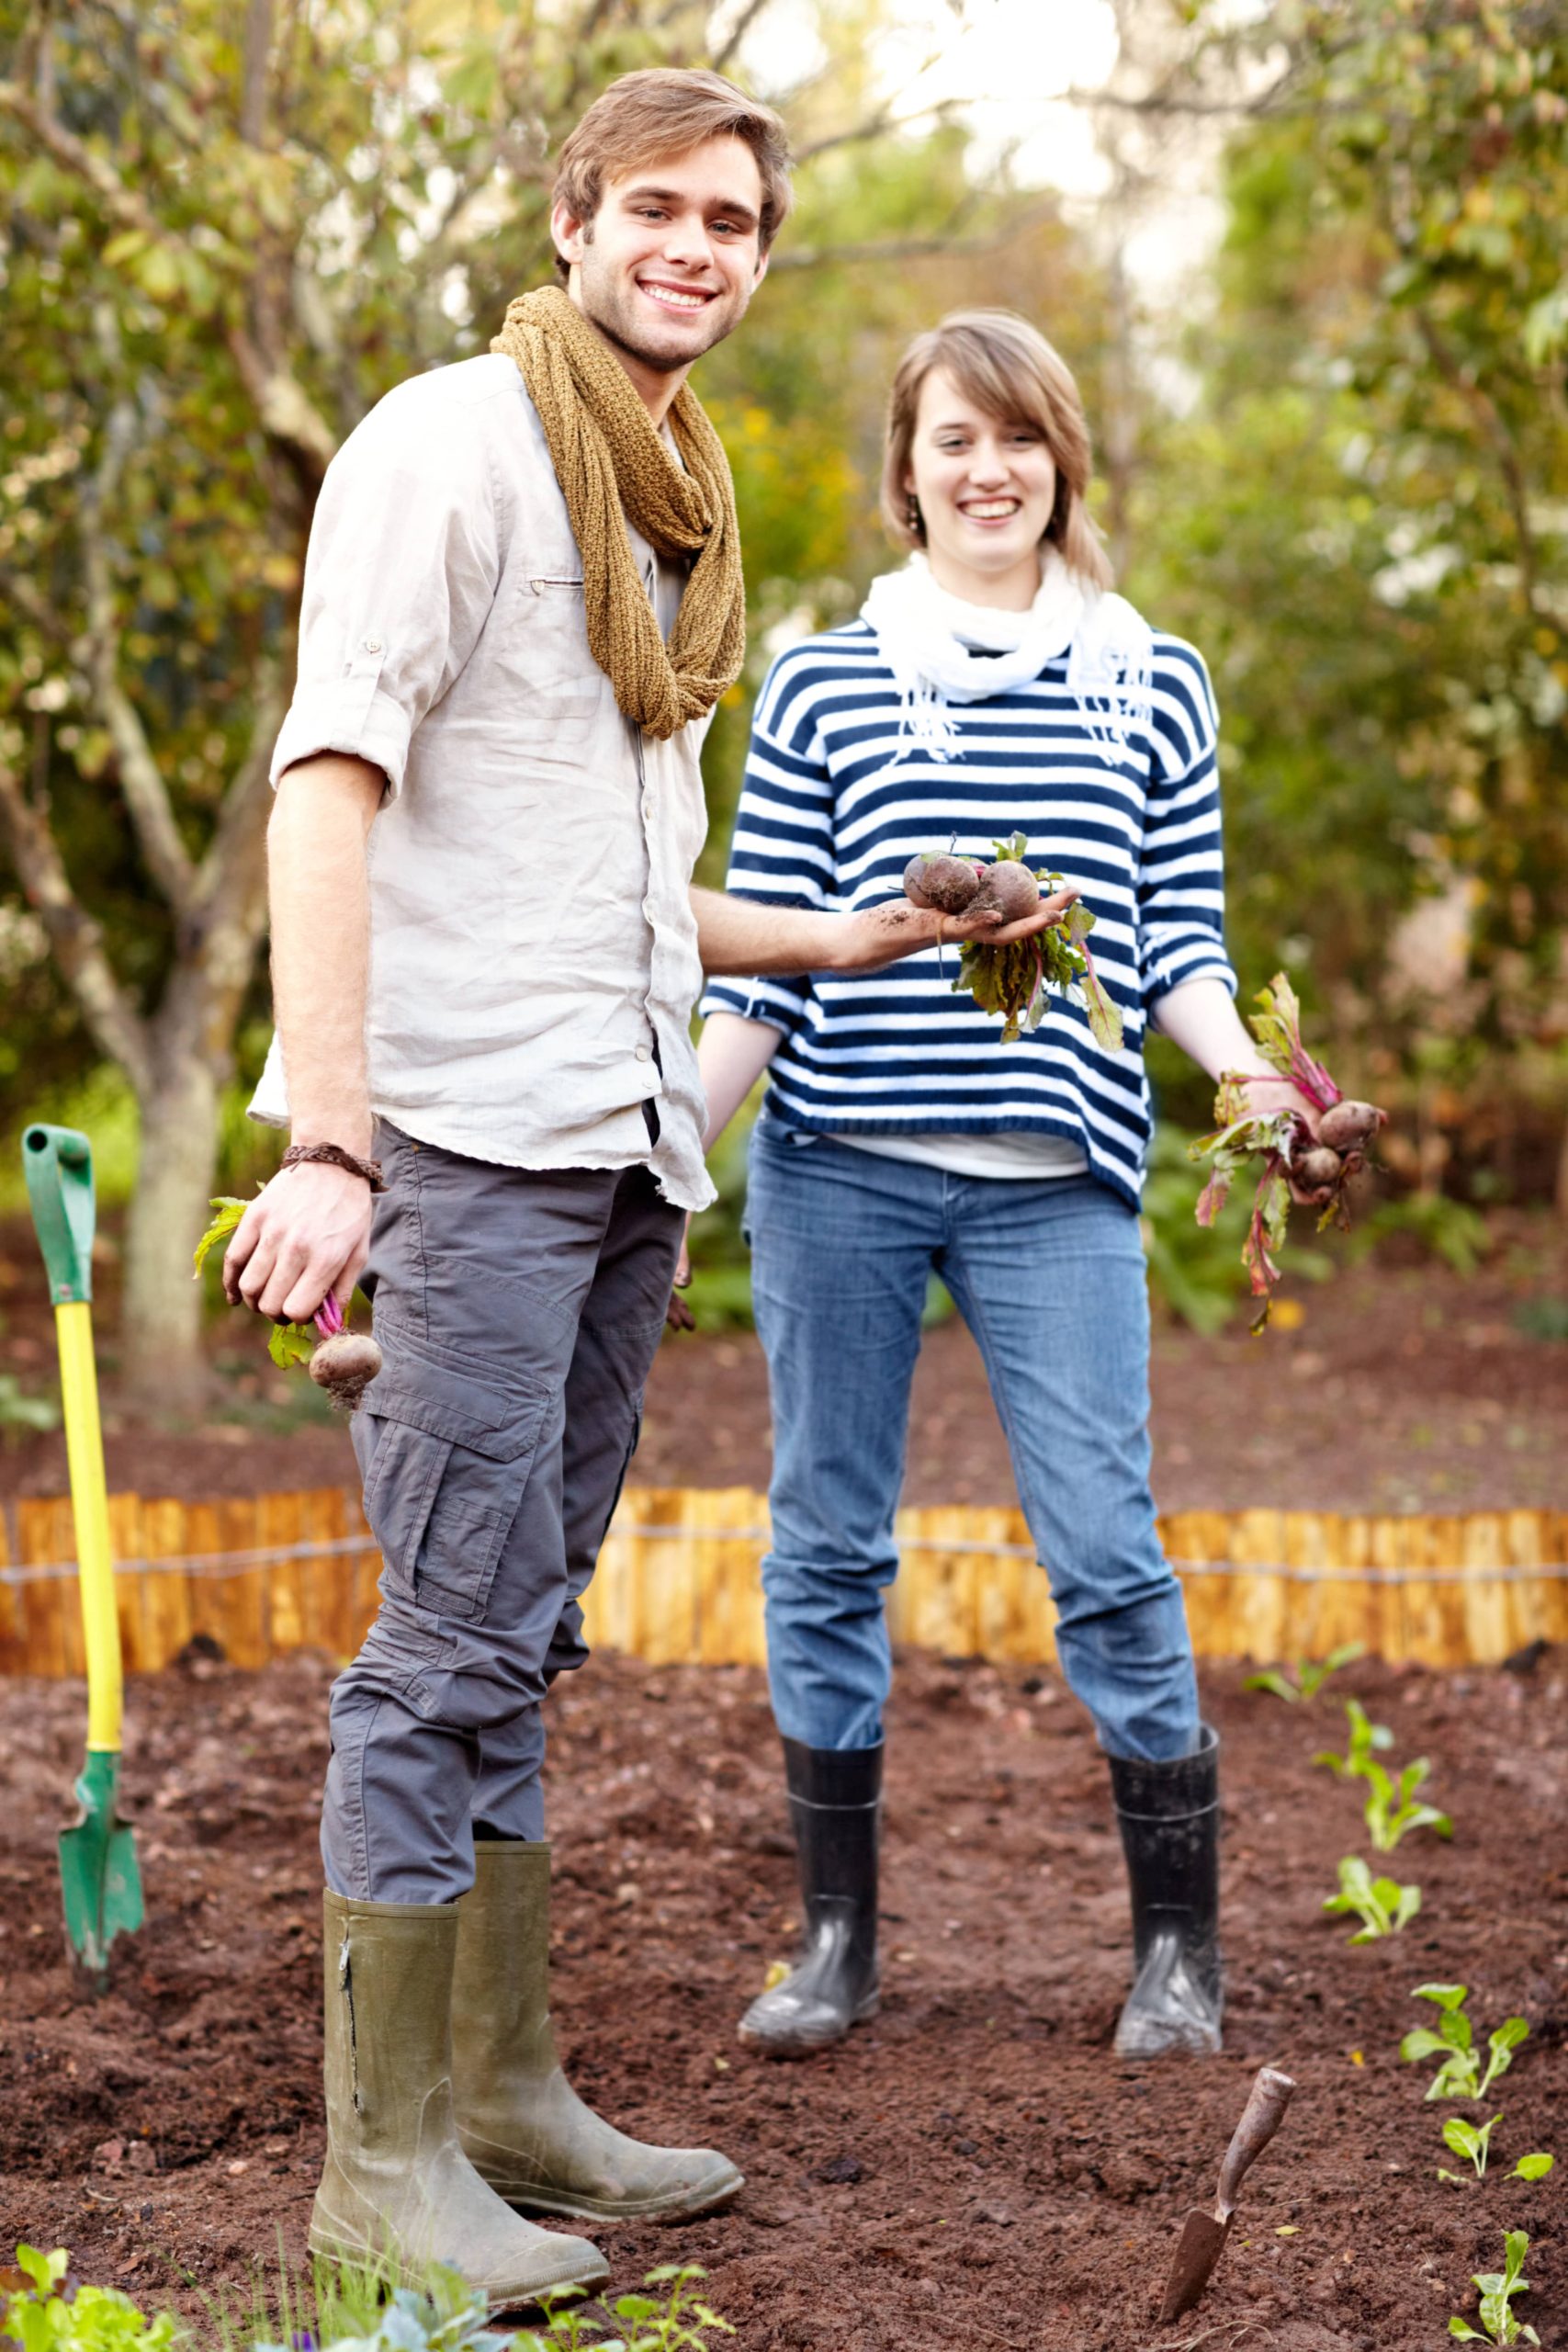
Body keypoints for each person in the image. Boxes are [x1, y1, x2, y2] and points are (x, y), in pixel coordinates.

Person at [224, 93, 1066, 2307]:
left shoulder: (663, 504)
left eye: (736, 222)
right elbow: (331, 784)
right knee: (437, 1648)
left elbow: (612, 882)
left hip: (612, 1141)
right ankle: (376, 2175)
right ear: (573, 219)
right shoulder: (449, 446)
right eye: (661, 211)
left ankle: (498, 2095)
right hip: (467, 1138)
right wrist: (331, 1141)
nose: (698, 247)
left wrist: (834, 939)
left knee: (518, 1626)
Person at [692, 307, 1325, 2066]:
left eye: (1018, 438)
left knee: (1108, 1551)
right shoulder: (822, 682)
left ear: (1062, 461)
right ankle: (835, 1941)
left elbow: (1182, 940)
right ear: (904, 474)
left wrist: (1259, 1087)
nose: (988, 470)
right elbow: (758, 965)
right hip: (837, 1172)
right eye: (952, 441)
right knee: (824, 1542)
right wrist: (672, 1155)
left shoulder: (1151, 680)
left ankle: (1177, 1958)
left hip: (1058, 1184)